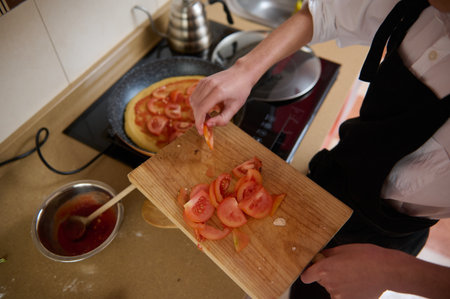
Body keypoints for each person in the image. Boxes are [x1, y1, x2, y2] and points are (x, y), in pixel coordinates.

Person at [190, 0, 450, 298]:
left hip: (386, 235)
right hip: (332, 175)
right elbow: (324, 12)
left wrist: (392, 271)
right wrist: (245, 70)